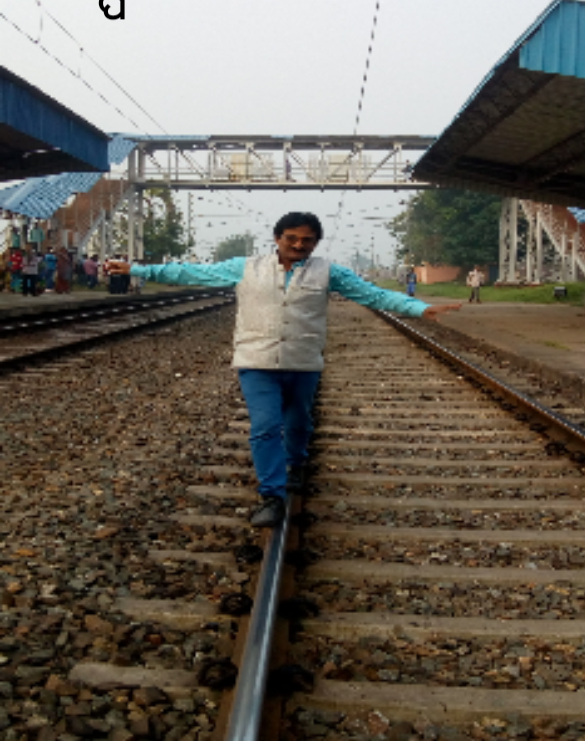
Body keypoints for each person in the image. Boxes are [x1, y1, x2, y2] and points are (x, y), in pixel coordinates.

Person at [108, 212, 461, 528]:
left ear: (316, 243)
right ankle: (272, 496)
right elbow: (191, 272)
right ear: (277, 238)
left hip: (302, 360)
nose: (298, 245)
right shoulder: (246, 267)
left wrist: (419, 308)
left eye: (307, 240)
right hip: (256, 360)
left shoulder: (329, 272)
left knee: (298, 421)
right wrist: (138, 270)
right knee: (265, 426)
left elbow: (373, 295)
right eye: (291, 238)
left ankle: (296, 463)